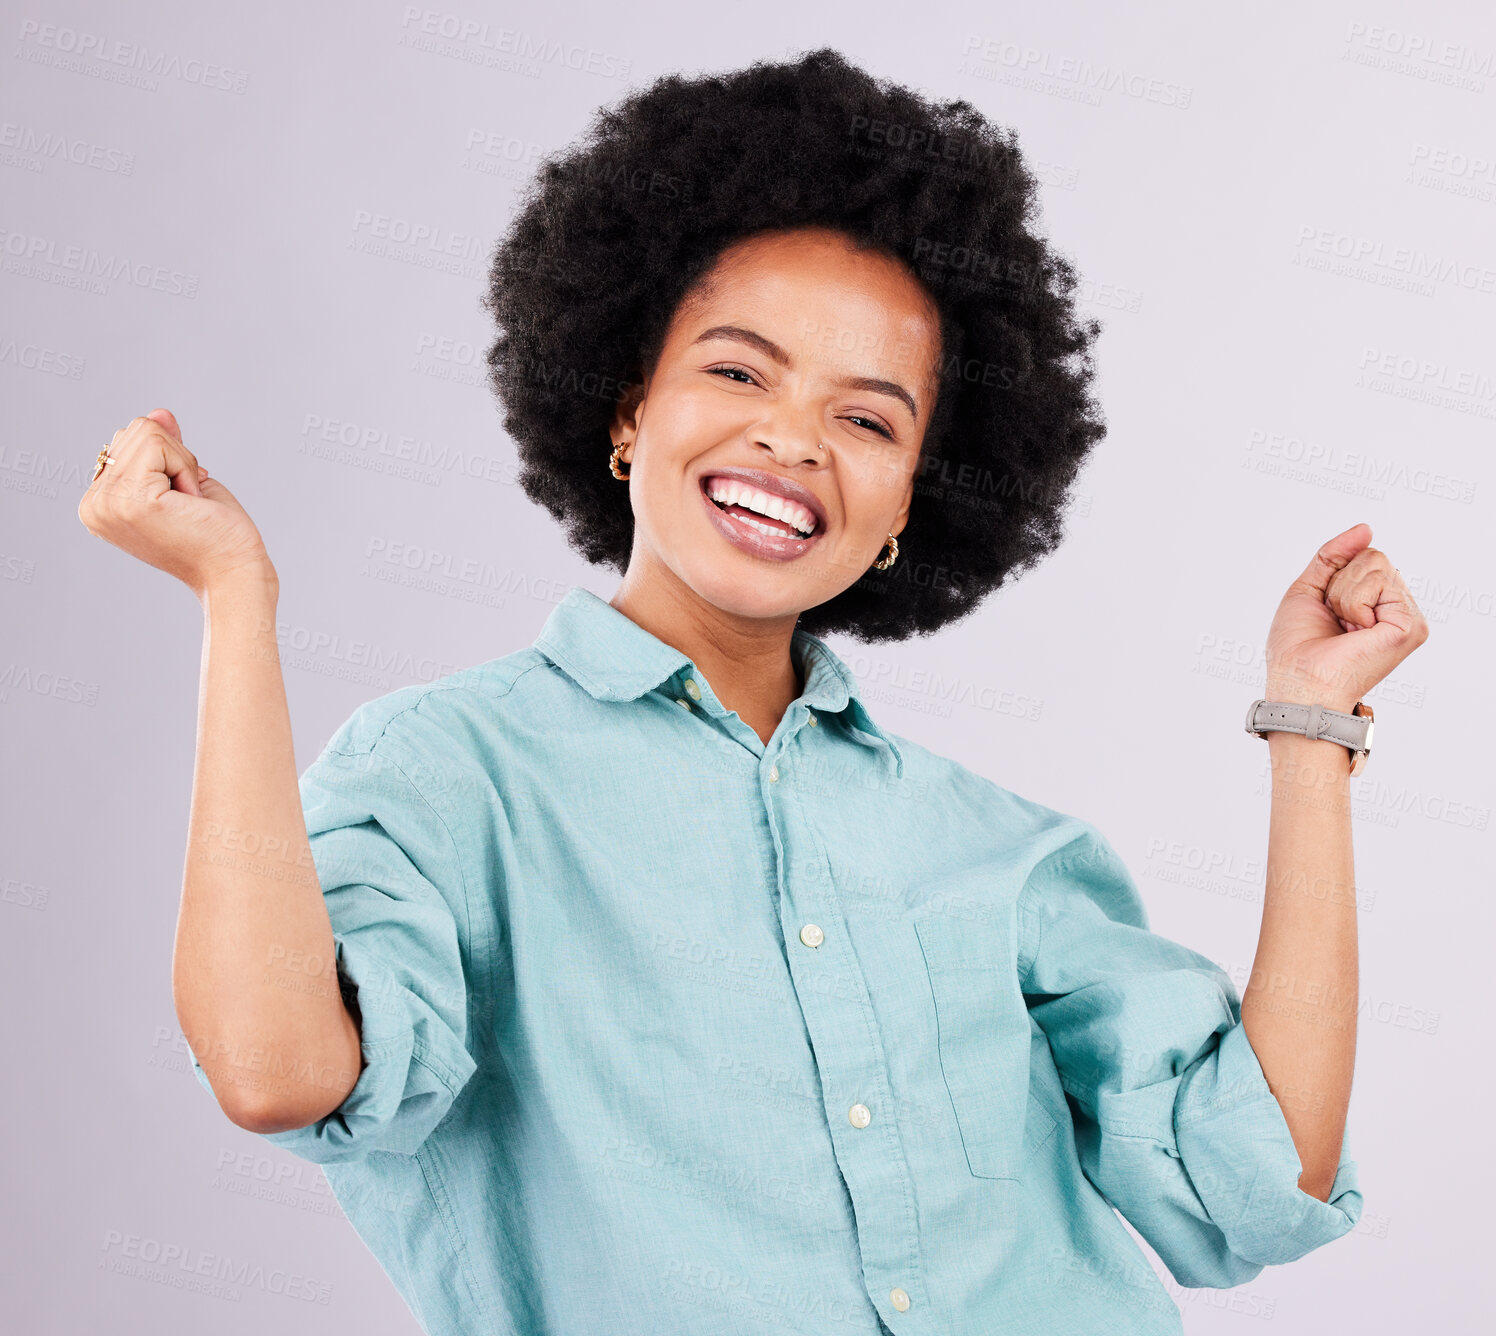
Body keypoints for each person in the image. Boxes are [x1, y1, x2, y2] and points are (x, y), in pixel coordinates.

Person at [79, 47, 1428, 1336]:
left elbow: (1260, 1186)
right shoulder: (450, 775)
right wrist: (236, 600)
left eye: (869, 418)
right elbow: (275, 1073)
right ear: (626, 410)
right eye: (736, 369)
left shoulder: (1004, 853)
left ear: (909, 501)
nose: (792, 438)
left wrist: (1311, 731)